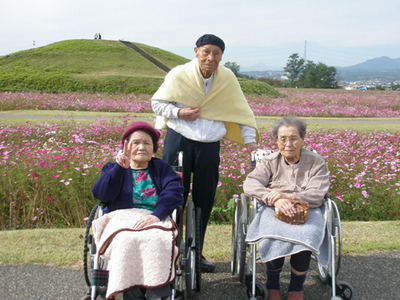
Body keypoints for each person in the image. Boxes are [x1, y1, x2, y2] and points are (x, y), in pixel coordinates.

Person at [152, 34, 259, 272]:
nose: (211, 57)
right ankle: (169, 250)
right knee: (172, 195)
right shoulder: (179, 74)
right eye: (206, 51)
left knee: (204, 197)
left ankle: (196, 252)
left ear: (222, 56)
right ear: (196, 51)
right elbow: (157, 103)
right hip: (178, 139)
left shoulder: (227, 78)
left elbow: (239, 109)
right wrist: (181, 113)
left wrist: (250, 141)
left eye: (216, 53)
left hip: (209, 144)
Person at [91, 121, 184, 300]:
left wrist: (156, 215)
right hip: (120, 219)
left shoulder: (161, 169)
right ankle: (131, 292)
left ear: (154, 149)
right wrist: (119, 170)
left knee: (157, 239)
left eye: (147, 143)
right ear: (126, 146)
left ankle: (157, 294)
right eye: (136, 143)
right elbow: (101, 195)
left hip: (154, 217)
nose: (142, 147)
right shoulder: (112, 168)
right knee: (126, 239)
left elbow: (174, 191)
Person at [243, 116, 330, 300]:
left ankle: (296, 288)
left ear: (303, 139)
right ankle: (272, 284)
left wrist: (287, 196)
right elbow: (250, 184)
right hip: (272, 209)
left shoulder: (316, 162)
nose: (288, 144)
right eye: (283, 139)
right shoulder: (269, 161)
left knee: (306, 236)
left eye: (293, 138)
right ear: (277, 140)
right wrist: (273, 199)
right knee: (272, 233)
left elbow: (317, 194)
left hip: (308, 209)